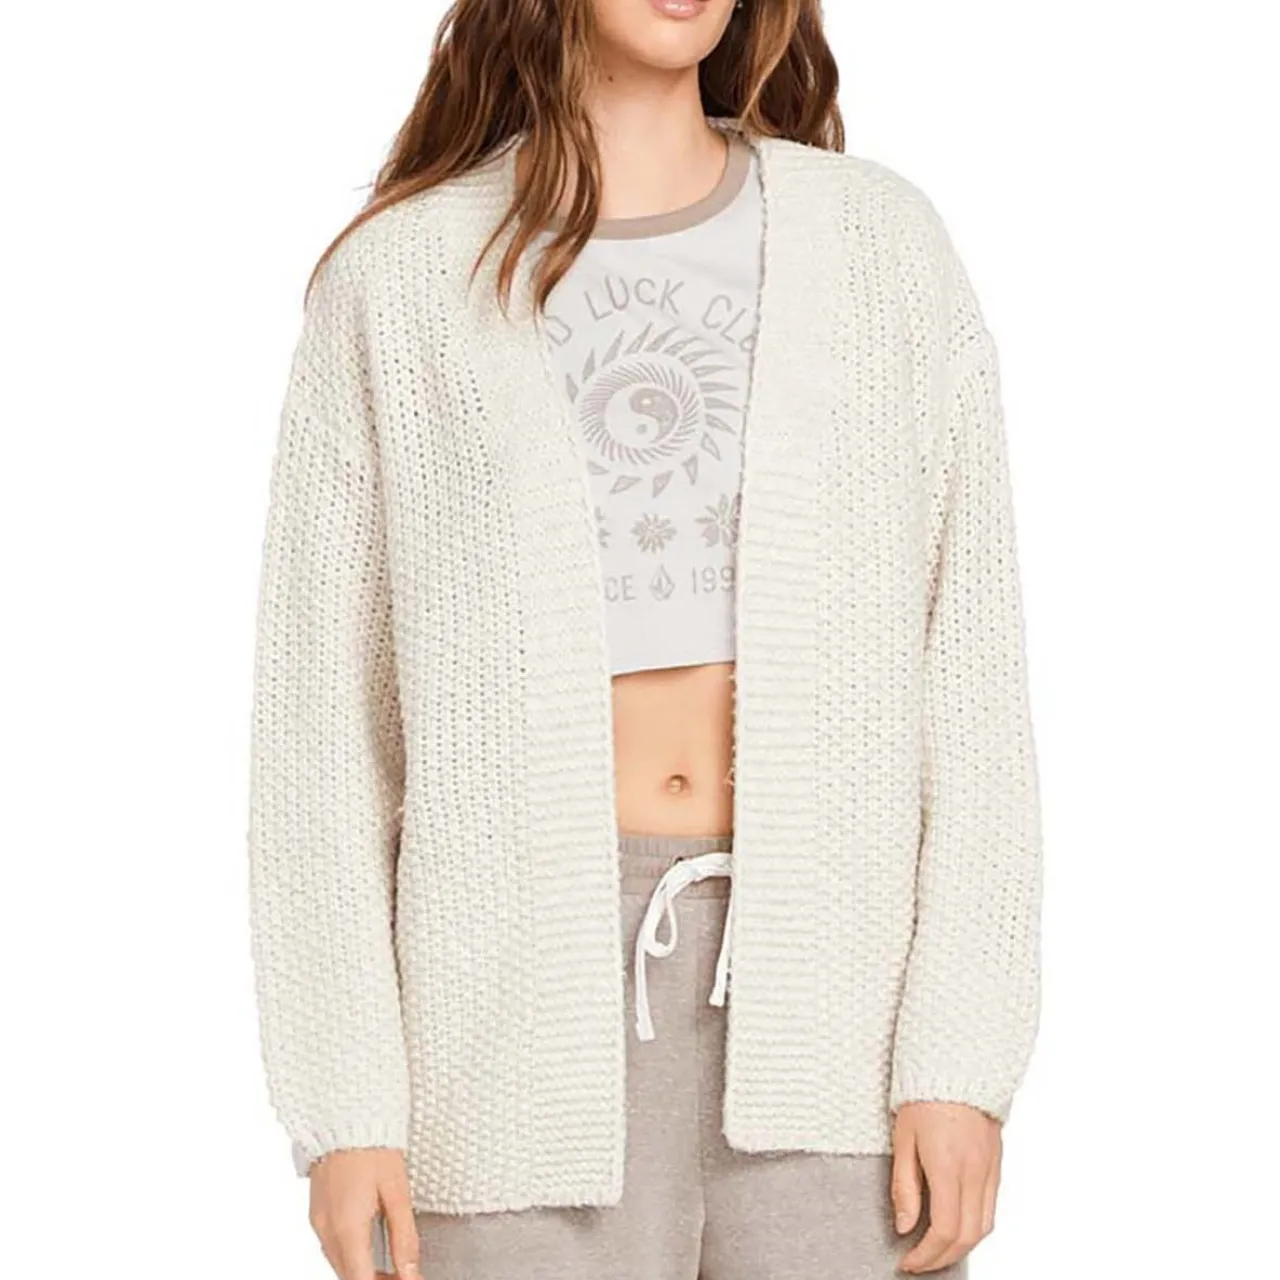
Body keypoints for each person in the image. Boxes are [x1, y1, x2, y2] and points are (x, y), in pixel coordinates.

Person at [245, 1, 1043, 1277]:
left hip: (838, 1012)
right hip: (501, 1031)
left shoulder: (880, 247)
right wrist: (345, 1108)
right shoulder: (396, 283)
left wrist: (961, 1055)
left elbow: (972, 681)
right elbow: (323, 736)